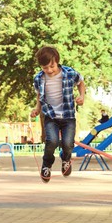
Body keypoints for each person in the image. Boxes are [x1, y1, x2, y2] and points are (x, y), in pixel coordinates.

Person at [30, 46, 85, 183]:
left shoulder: (69, 73)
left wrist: (82, 96)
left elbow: (81, 82)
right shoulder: (39, 78)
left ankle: (66, 159)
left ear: (57, 61)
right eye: (45, 68)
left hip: (68, 115)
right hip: (50, 116)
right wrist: (37, 109)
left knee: (67, 143)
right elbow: (39, 95)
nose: (49, 70)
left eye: (52, 66)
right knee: (52, 141)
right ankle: (46, 165)